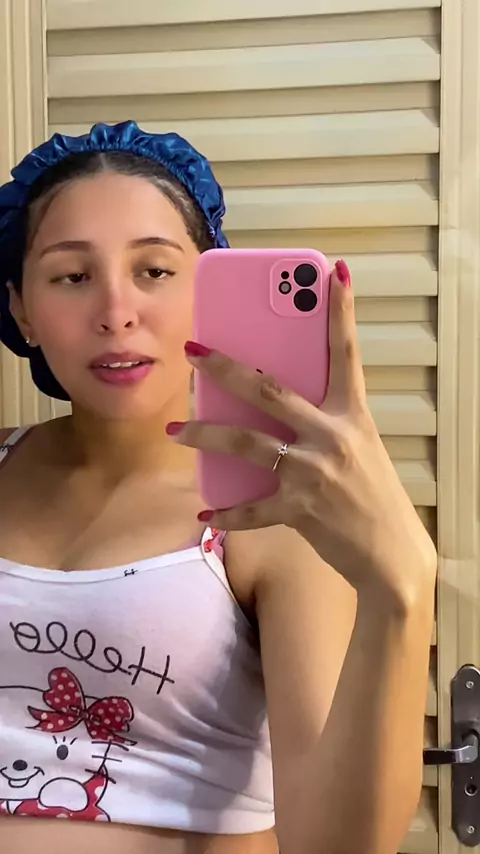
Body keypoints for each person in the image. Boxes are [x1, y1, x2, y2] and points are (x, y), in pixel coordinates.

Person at [0, 121, 437, 854]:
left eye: (154, 270)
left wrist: (404, 585)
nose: (116, 311)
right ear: (22, 310)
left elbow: (336, 843)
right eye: (72, 276)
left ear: (209, 288)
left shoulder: (271, 511)